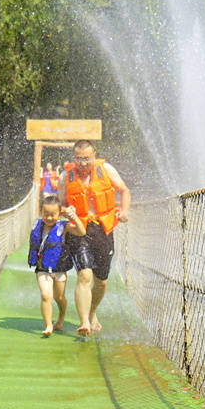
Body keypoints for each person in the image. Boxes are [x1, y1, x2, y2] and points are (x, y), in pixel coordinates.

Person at [62, 140, 131, 336]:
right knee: (84, 275)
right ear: (73, 157)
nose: (82, 163)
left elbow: (124, 191)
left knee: (101, 281)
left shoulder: (106, 169)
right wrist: (66, 211)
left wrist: (124, 211)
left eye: (86, 159)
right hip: (79, 229)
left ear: (94, 156)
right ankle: (84, 322)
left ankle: (92, 312)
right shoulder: (65, 176)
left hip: (103, 229)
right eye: (78, 159)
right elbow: (60, 202)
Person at [28, 196, 83, 336]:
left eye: (53, 214)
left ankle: (60, 318)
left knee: (59, 298)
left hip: (59, 268)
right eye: (46, 214)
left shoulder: (63, 227)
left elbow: (82, 231)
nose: (49, 217)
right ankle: (48, 325)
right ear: (41, 212)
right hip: (43, 269)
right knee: (46, 295)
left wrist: (73, 217)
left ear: (59, 214)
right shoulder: (38, 225)